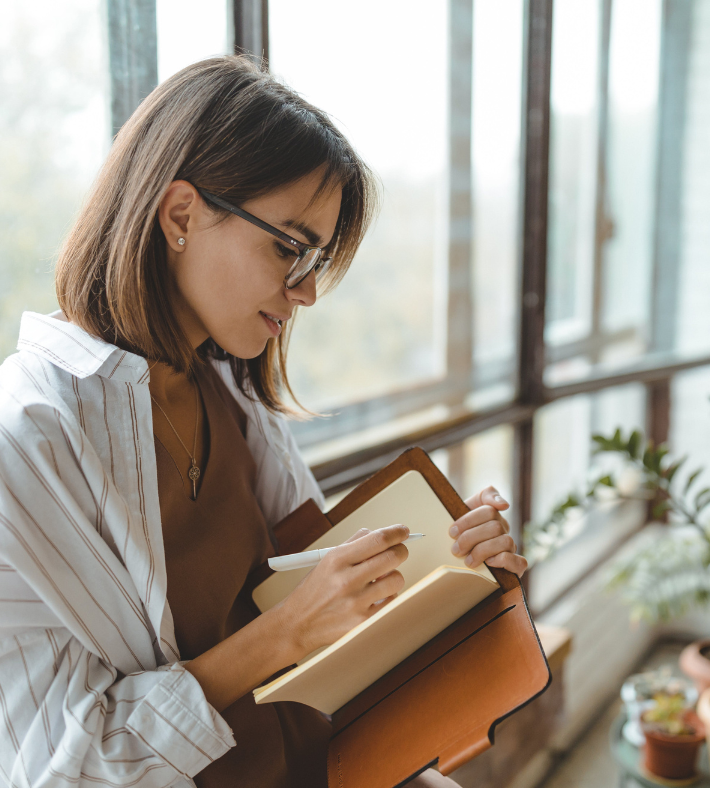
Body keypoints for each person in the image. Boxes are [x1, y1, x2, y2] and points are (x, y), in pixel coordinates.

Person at [0, 56, 527, 788]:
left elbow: (332, 602)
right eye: (289, 248)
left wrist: (456, 560)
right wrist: (279, 636)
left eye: (316, 259)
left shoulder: (230, 393)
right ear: (180, 214)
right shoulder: (27, 440)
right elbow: (63, 770)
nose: (307, 291)